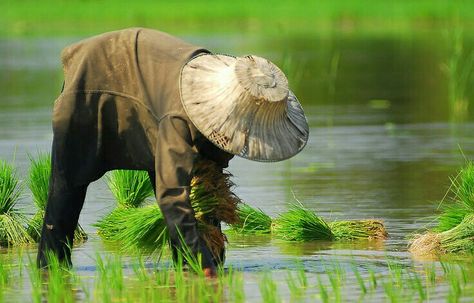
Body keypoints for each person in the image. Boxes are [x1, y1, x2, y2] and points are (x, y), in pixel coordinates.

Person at [37, 28, 309, 277]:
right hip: (99, 75)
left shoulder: (223, 96)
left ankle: (191, 270)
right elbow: (171, 196)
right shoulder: (183, 115)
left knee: (203, 189)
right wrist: (203, 264)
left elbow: (205, 174)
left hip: (151, 82)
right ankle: (50, 275)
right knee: (67, 190)